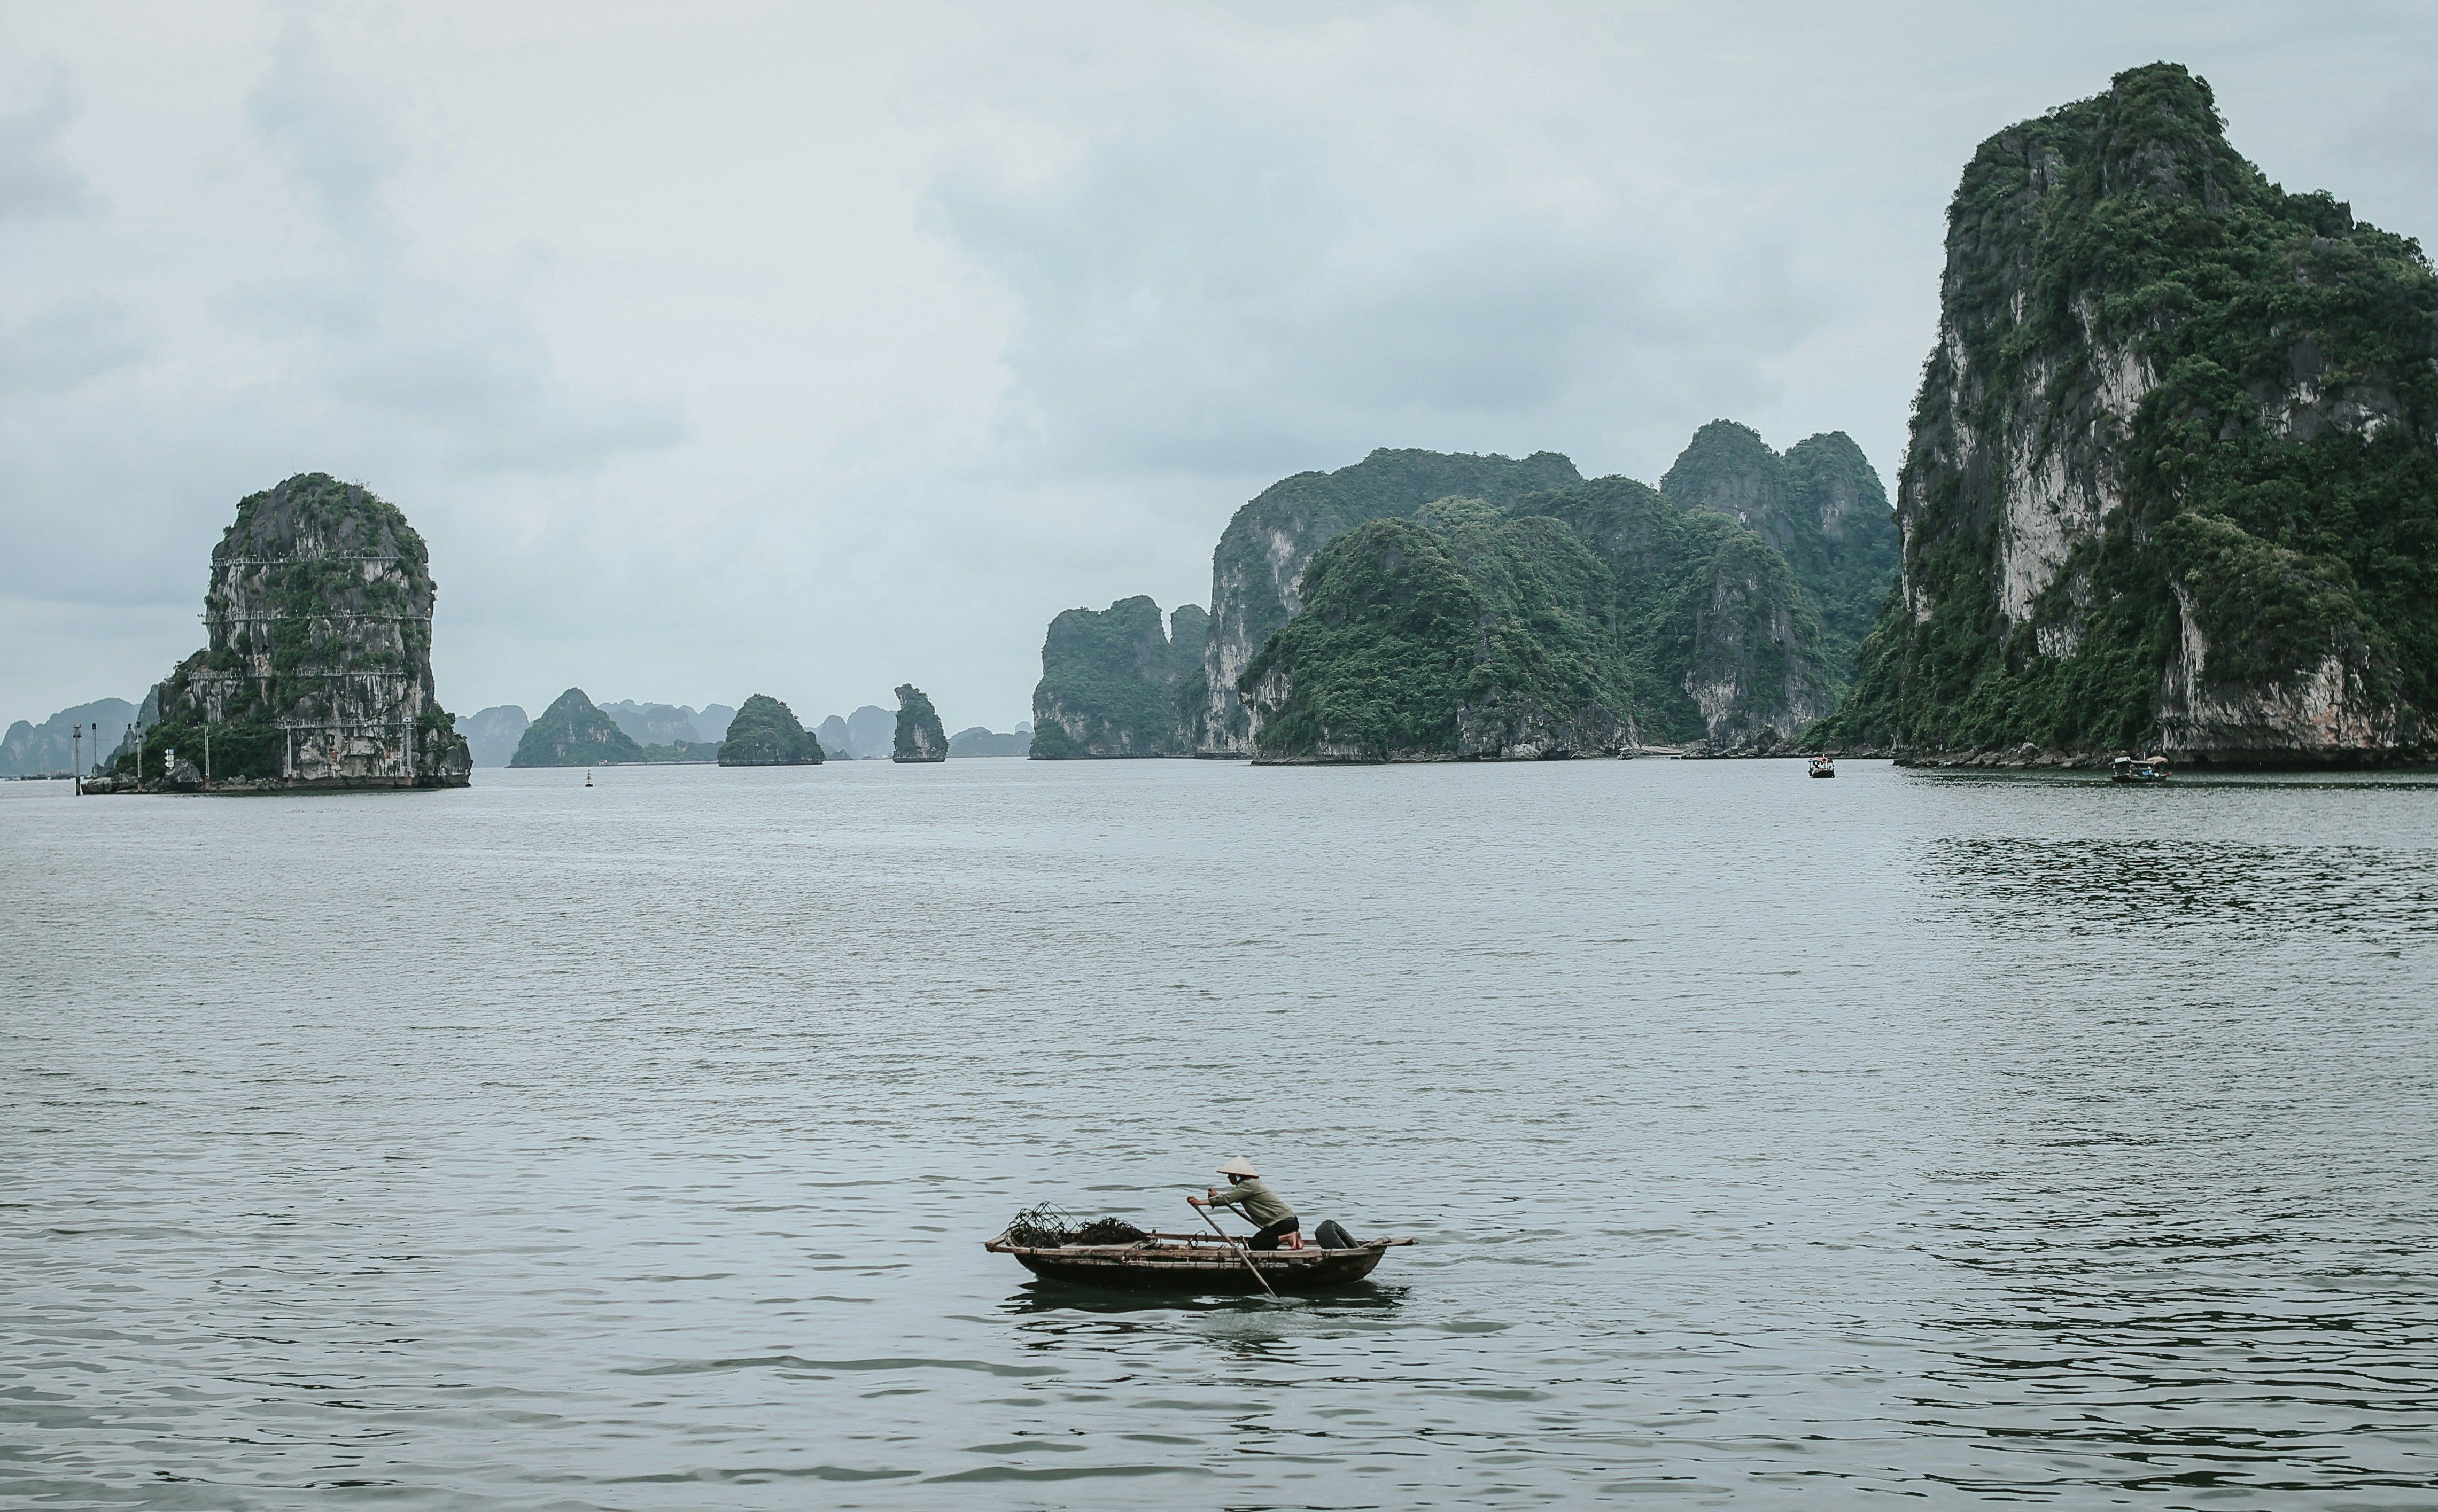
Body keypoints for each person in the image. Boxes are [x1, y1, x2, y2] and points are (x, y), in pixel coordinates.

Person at [1190, 1156, 1301, 1250]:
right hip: (1289, 1222)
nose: (1229, 1177)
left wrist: (1199, 1202)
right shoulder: (1249, 1185)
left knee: (1255, 1244)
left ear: (1238, 1175)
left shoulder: (1248, 1185)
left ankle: (1288, 1237)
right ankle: (1296, 1241)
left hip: (1282, 1223)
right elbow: (1230, 1197)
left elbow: (1226, 1199)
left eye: (1230, 1175)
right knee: (1266, 1241)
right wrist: (1217, 1197)